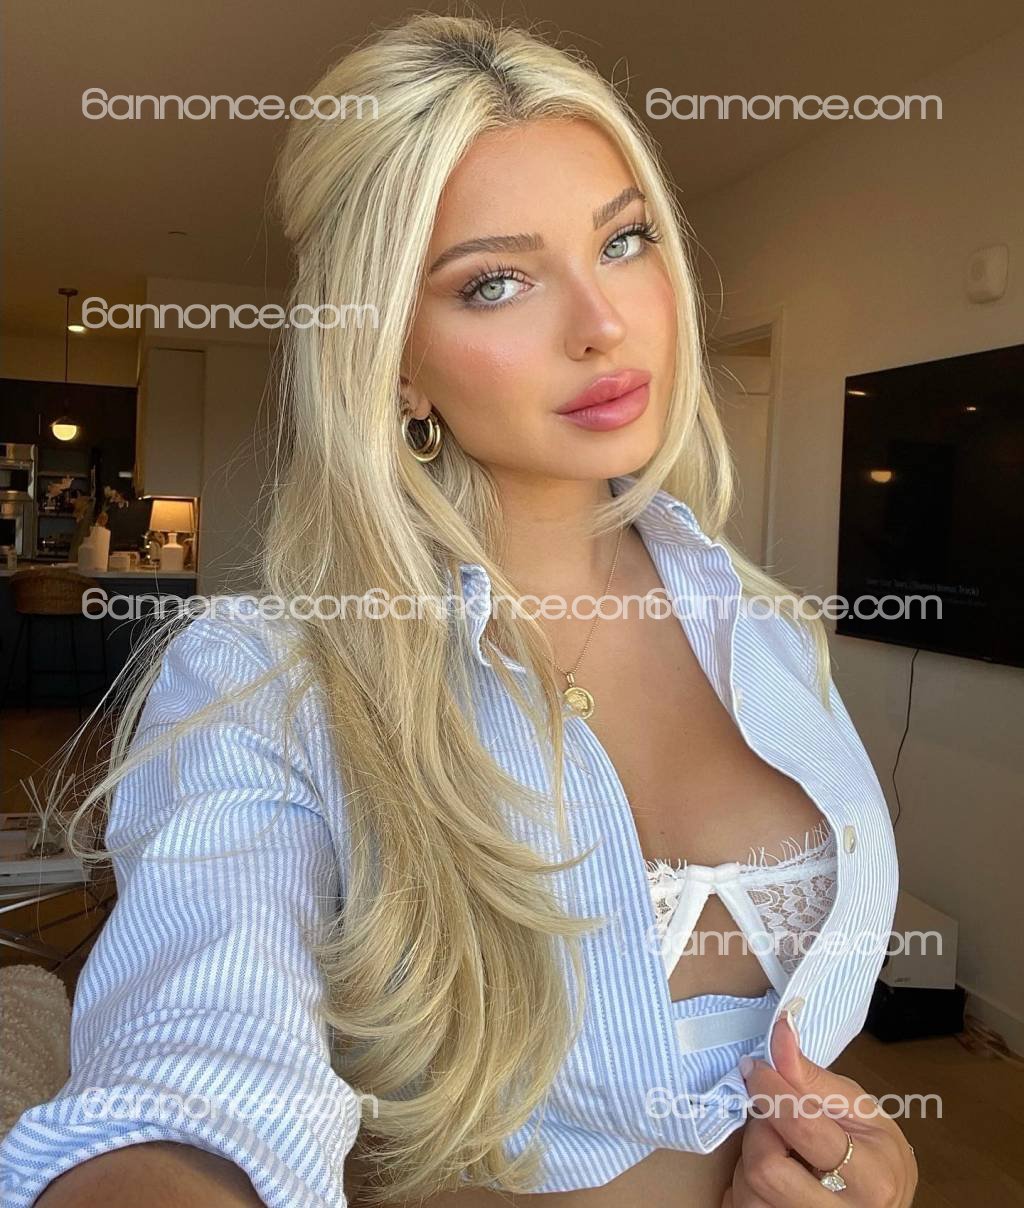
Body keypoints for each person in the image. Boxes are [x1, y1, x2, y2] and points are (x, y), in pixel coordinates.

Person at [0, 13, 917, 1208]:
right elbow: (198, 1065)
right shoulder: (271, 675)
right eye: (495, 281)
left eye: (624, 240)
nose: (601, 321)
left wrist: (851, 1171)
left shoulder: (767, 631)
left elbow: (782, 1057)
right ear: (394, 361)